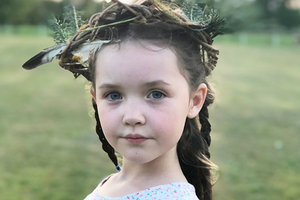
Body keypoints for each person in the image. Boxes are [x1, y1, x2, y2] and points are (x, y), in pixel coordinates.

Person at [23, 0, 224, 199]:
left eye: (156, 94)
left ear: (195, 100)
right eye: (114, 95)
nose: (132, 117)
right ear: (95, 98)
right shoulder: (114, 183)